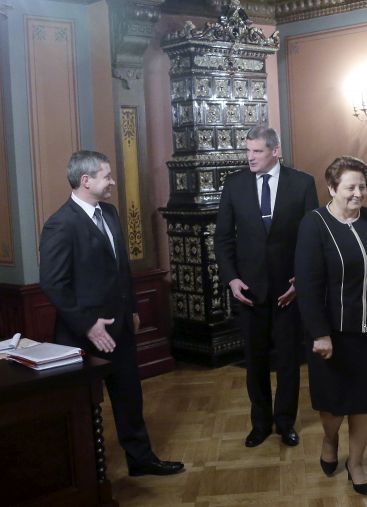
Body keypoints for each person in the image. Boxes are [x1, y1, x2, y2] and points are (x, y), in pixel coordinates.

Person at [39, 150, 184, 477]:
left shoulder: (110, 212)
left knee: (130, 397)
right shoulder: (61, 224)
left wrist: (132, 308)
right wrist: (89, 325)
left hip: (120, 327)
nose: (113, 182)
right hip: (82, 336)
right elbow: (53, 283)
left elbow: (121, 268)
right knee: (83, 408)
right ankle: (89, 477)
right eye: (106, 176)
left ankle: (141, 460)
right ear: (85, 180)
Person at [295, 156, 367, 496]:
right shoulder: (314, 224)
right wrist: (319, 333)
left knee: (366, 401)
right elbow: (307, 284)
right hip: (333, 333)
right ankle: (329, 438)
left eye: (362, 186)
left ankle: (357, 463)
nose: (358, 194)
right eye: (350, 187)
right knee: (334, 405)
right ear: (332, 188)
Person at [215, 126, 318, 448]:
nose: (250, 157)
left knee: (288, 361)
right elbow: (222, 238)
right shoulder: (234, 185)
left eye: (257, 151)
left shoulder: (302, 183)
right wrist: (232, 279)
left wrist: (301, 280)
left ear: (275, 151)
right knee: (255, 361)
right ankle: (259, 423)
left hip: (289, 291)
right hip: (249, 291)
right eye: (247, 151)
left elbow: (311, 238)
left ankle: (285, 422)